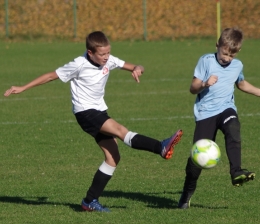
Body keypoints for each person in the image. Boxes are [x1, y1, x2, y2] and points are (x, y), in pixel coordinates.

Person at [4, 31, 183, 212]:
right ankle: (160, 147)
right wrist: (23, 87)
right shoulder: (78, 64)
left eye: (108, 53)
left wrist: (138, 69)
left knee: (113, 158)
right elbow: (51, 75)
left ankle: (89, 201)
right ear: (90, 53)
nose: (106, 57)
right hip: (86, 112)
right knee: (121, 130)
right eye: (102, 54)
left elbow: (136, 66)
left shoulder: (108, 59)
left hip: (99, 111)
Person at [178, 27, 260, 209]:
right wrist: (205, 84)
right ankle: (187, 193)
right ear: (217, 45)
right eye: (224, 53)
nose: (227, 58)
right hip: (205, 113)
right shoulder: (205, 61)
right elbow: (193, 88)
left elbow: (241, 84)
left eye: (231, 56)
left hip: (226, 108)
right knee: (196, 161)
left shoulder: (237, 66)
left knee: (233, 128)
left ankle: (236, 172)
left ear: (237, 53)